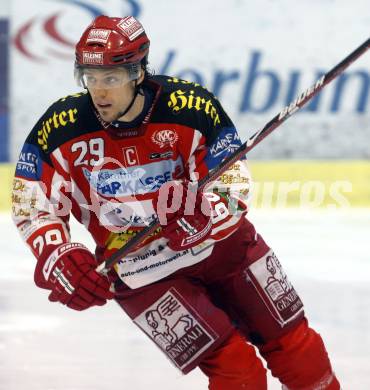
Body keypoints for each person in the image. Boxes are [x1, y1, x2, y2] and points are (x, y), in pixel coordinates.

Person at [12, 15, 341, 390]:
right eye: (91, 78)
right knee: (237, 371)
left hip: (222, 247)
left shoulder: (191, 106)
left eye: (111, 79)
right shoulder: (61, 126)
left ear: (137, 73)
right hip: (140, 271)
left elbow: (233, 183)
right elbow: (31, 202)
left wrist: (208, 215)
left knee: (298, 350)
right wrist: (58, 252)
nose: (99, 92)